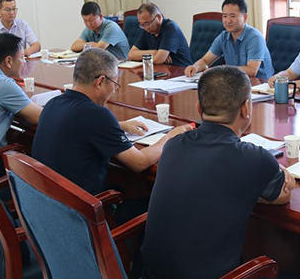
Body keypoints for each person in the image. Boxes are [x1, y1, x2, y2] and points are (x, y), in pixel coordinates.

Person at [142, 66, 300, 279]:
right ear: (246, 108)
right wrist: (264, 178)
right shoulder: (253, 158)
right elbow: (282, 196)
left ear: (199, 108)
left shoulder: (173, 145)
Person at [31, 48, 190, 197]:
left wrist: (119, 125)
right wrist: (169, 137)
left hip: (47, 202)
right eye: (115, 84)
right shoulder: (96, 115)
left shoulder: (53, 104)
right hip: (81, 208)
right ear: (100, 81)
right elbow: (139, 163)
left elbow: (77, 126)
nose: (114, 90)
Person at [185, 0, 274, 80]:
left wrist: (219, 70)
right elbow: (205, 60)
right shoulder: (224, 36)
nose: (228, 21)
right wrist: (195, 67)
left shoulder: (255, 37)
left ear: (245, 17)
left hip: (260, 85)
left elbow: (252, 71)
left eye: (232, 16)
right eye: (225, 16)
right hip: (236, 82)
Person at [127, 3, 192, 67]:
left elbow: (158, 59)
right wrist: (154, 52)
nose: (145, 28)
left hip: (180, 70)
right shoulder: (147, 29)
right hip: (161, 69)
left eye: (147, 23)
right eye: (142, 24)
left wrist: (157, 56)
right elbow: (131, 54)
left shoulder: (171, 28)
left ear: (159, 17)